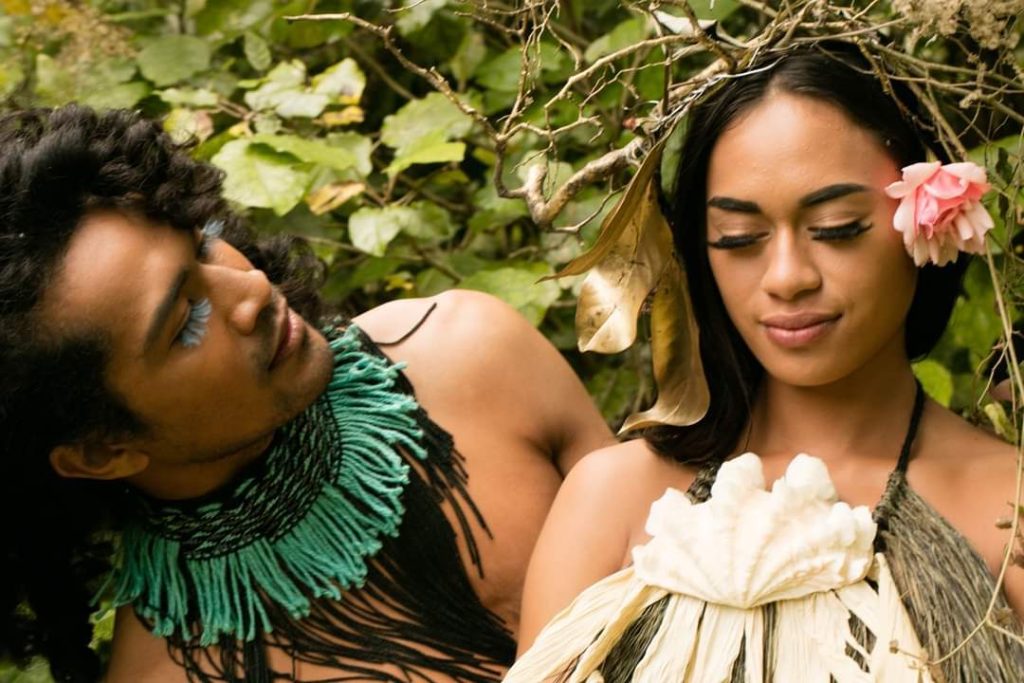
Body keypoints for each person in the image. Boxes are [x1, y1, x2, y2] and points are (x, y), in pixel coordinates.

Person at [0, 105, 614, 683]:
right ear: (101, 452)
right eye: (186, 320)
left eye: (205, 241)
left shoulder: (469, 352)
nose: (251, 290)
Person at [512, 44, 1024, 681]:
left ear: (930, 223)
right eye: (740, 239)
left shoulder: (1007, 506)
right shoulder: (613, 498)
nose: (786, 277)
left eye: (836, 227)